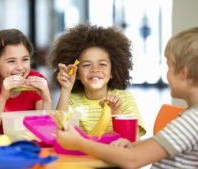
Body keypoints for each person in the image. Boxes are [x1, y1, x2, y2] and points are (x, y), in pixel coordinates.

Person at [56, 27, 198, 168]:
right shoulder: (190, 116)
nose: (166, 74)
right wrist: (134, 145)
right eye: (87, 65)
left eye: (168, 66)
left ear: (183, 73)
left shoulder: (192, 120)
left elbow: (132, 160)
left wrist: (78, 143)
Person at [50, 24, 146, 136]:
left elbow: (133, 139)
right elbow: (59, 131)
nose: (95, 69)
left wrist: (116, 113)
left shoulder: (125, 99)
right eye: (86, 64)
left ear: (113, 72)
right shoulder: (71, 100)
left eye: (102, 64)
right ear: (76, 73)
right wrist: (65, 89)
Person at [0, 29, 51, 138]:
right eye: (11, 61)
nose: (20, 67)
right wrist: (3, 97)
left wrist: (46, 97)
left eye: (25, 59)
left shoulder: (37, 81)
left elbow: (45, 133)